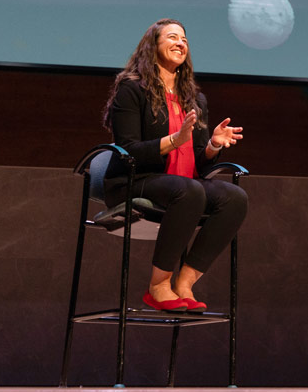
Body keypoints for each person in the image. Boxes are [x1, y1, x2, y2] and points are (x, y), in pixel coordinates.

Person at [102, 18, 247, 312]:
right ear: (152, 47)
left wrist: (213, 144)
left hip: (181, 185)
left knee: (235, 198)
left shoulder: (195, 99)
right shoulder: (131, 90)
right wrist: (174, 140)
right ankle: (158, 286)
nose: (180, 43)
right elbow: (128, 151)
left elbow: (199, 162)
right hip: (133, 180)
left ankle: (184, 283)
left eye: (184, 39)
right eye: (171, 37)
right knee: (189, 191)